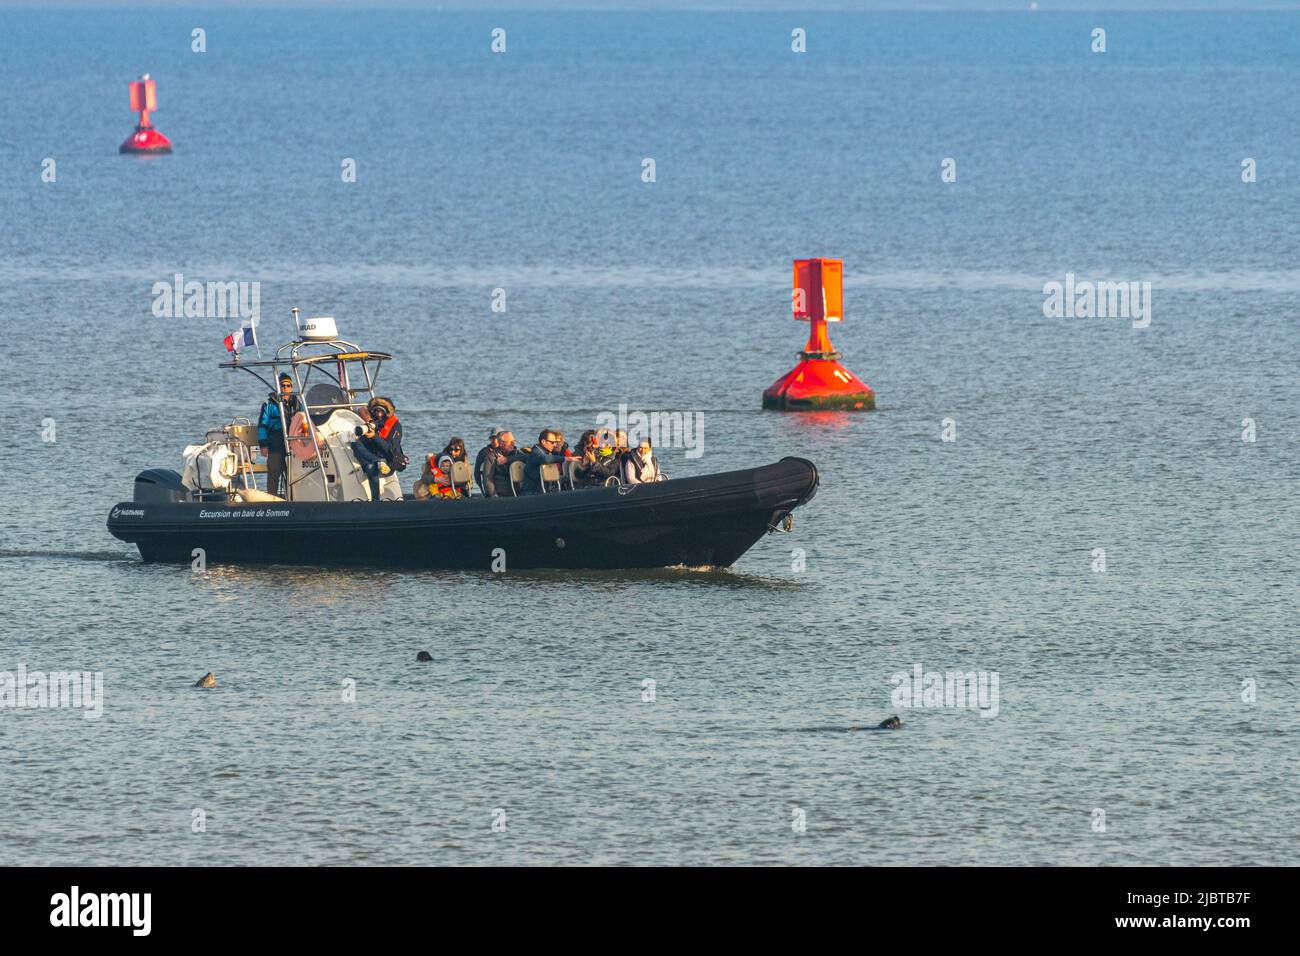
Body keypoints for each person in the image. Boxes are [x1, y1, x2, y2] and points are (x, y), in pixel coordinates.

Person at [349, 396, 406, 501]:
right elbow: (362, 445)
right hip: (374, 458)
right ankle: (377, 462)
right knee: (355, 445)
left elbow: (390, 449)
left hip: (388, 461)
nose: (379, 414)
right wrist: (365, 433)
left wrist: (374, 437)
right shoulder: (372, 423)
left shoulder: (395, 426)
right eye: (376, 411)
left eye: (381, 412)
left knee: (371, 467)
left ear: (387, 412)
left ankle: (375, 499)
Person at [257, 373, 301, 497]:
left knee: (293, 476)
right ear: (278, 387)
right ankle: (272, 499)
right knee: (273, 474)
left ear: (291, 387)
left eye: (288, 386)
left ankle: (292, 499)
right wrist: (263, 445)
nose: (285, 388)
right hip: (275, 444)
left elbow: (305, 421)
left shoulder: (297, 404)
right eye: (283, 385)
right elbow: (262, 426)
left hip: (293, 446)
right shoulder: (269, 405)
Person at [521, 428, 568, 495]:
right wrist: (565, 458)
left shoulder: (546, 453)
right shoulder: (536, 453)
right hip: (531, 492)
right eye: (552, 442)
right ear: (543, 441)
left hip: (544, 490)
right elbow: (545, 459)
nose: (554, 445)